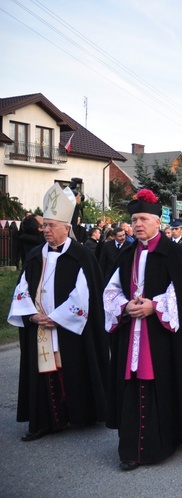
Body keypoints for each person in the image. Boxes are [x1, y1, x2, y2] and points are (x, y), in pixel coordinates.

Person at [103, 189, 182, 471]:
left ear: (156, 222)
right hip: (132, 335)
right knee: (131, 386)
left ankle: (159, 445)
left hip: (162, 338)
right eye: (134, 219)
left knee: (160, 387)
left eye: (142, 219)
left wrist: (156, 306)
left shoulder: (174, 253)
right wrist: (125, 306)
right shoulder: (127, 253)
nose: (137, 224)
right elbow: (111, 289)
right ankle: (129, 449)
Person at [8, 183, 107, 442]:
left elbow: (84, 294)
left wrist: (59, 317)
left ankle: (80, 414)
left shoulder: (81, 256)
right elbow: (22, 289)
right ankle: (44, 421)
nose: (46, 230)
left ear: (67, 227)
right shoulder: (33, 256)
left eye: (51, 225)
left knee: (71, 367)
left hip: (69, 327)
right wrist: (31, 315)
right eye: (44, 225)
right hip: (40, 325)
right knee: (43, 370)